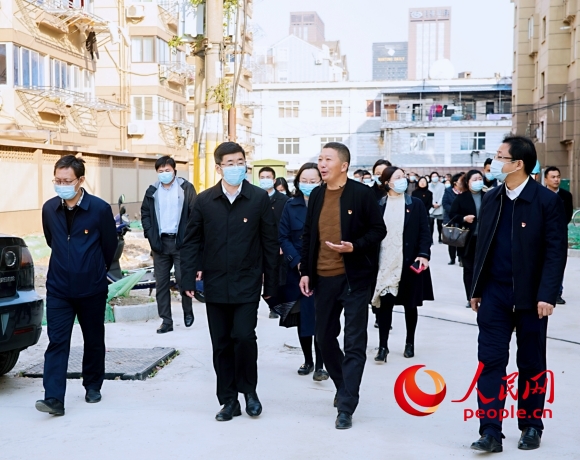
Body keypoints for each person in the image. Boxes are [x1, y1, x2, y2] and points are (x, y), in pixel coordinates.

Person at [469, 135, 568, 453]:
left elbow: (556, 252)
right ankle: (490, 431)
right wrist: (476, 289)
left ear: (518, 164)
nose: (494, 162)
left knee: (531, 363)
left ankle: (531, 425)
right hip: (494, 294)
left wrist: (547, 295)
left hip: (532, 297)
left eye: (500, 157)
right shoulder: (492, 198)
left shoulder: (546, 201)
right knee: (490, 361)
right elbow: (481, 247)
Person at [180, 142, 279, 422]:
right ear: (218, 168)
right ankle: (228, 400)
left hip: (247, 281)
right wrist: (188, 278)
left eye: (240, 162)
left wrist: (271, 285)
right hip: (216, 283)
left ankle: (250, 392)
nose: (236, 167)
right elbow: (192, 241)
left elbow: (270, 243)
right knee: (221, 343)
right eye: (230, 163)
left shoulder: (258, 198)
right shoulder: (205, 201)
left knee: (244, 337)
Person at [299, 142, 386, 430]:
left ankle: (346, 406)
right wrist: (305, 271)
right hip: (323, 278)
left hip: (354, 279)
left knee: (354, 342)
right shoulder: (317, 194)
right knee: (324, 338)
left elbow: (379, 230)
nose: (322, 164)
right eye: (320, 159)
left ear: (344, 165)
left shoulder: (361, 194)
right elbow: (308, 235)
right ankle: (342, 385)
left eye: (328, 159)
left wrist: (354, 246)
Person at [36, 155, 117, 416]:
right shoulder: (49, 209)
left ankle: (92, 385)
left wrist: (95, 270)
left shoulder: (99, 209)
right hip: (59, 288)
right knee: (57, 342)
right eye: (57, 180)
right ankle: (53, 398)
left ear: (80, 180)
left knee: (93, 338)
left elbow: (109, 246)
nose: (61, 185)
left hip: (91, 288)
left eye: (67, 181)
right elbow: (52, 240)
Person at [371, 166, 433, 363]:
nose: (402, 180)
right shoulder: (378, 205)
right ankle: (383, 346)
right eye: (397, 177)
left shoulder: (415, 204)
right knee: (385, 305)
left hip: (409, 261)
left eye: (403, 176)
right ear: (387, 182)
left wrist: (423, 254)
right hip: (385, 262)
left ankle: (409, 342)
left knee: (410, 305)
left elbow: (425, 231)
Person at [278, 163, 328, 380]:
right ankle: (308, 360)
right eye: (304, 181)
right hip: (298, 270)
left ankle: (321, 365)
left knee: (322, 318)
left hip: (324, 268)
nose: (308, 184)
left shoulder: (328, 203)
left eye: (313, 181)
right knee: (303, 317)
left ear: (321, 181)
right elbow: (283, 237)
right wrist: (297, 263)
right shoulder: (290, 206)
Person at [141, 156, 197, 334]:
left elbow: (195, 213)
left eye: (167, 170)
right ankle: (166, 321)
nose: (164, 173)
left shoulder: (186, 188)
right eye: (161, 171)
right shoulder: (152, 191)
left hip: (181, 242)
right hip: (160, 243)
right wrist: (150, 235)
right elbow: (145, 213)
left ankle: (188, 311)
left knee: (182, 278)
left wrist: (189, 237)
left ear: (174, 171)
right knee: (162, 283)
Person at [258, 167, 289, 319]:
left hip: (277, 245)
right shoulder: (255, 198)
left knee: (277, 276)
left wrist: (283, 244)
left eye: (268, 177)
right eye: (262, 177)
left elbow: (286, 224)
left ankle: (276, 306)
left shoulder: (284, 200)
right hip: (258, 245)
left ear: (274, 180)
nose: (265, 180)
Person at [450, 170, 485, 307]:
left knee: (484, 269)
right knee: (469, 269)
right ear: (468, 182)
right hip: (468, 240)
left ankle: (483, 295)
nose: (478, 182)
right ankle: (471, 296)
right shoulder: (462, 198)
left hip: (484, 239)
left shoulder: (488, 196)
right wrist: (464, 218)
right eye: (474, 179)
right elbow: (452, 214)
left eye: (480, 179)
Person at [544, 166, 573, 304]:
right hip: (541, 235)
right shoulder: (540, 194)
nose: (556, 180)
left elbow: (567, 215)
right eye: (553, 177)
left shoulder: (566, 196)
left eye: (558, 177)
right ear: (546, 179)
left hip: (559, 235)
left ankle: (557, 293)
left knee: (558, 263)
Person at [442, 172, 463, 265]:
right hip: (450, 218)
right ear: (455, 182)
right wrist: (454, 210)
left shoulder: (465, 191)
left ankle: (461, 258)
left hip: (462, 218)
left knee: (462, 238)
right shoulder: (448, 191)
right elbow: (445, 203)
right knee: (451, 239)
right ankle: (452, 258)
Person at [428, 171, 445, 243]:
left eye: (436, 176)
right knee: (430, 224)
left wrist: (439, 203)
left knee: (439, 224)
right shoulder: (428, 185)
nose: (434, 178)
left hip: (439, 206)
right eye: (433, 176)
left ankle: (440, 237)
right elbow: (428, 195)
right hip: (431, 207)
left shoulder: (442, 185)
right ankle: (430, 238)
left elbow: (443, 195)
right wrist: (433, 203)